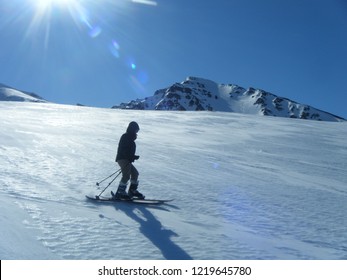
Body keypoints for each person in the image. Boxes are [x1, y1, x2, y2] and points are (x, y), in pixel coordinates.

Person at [113, 121, 144, 199]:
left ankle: (132, 191)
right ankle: (120, 192)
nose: (137, 132)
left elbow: (128, 150)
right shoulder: (126, 136)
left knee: (135, 173)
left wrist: (133, 156)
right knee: (126, 175)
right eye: (136, 130)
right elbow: (123, 149)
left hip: (127, 159)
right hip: (122, 158)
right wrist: (130, 157)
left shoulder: (130, 137)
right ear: (132, 129)